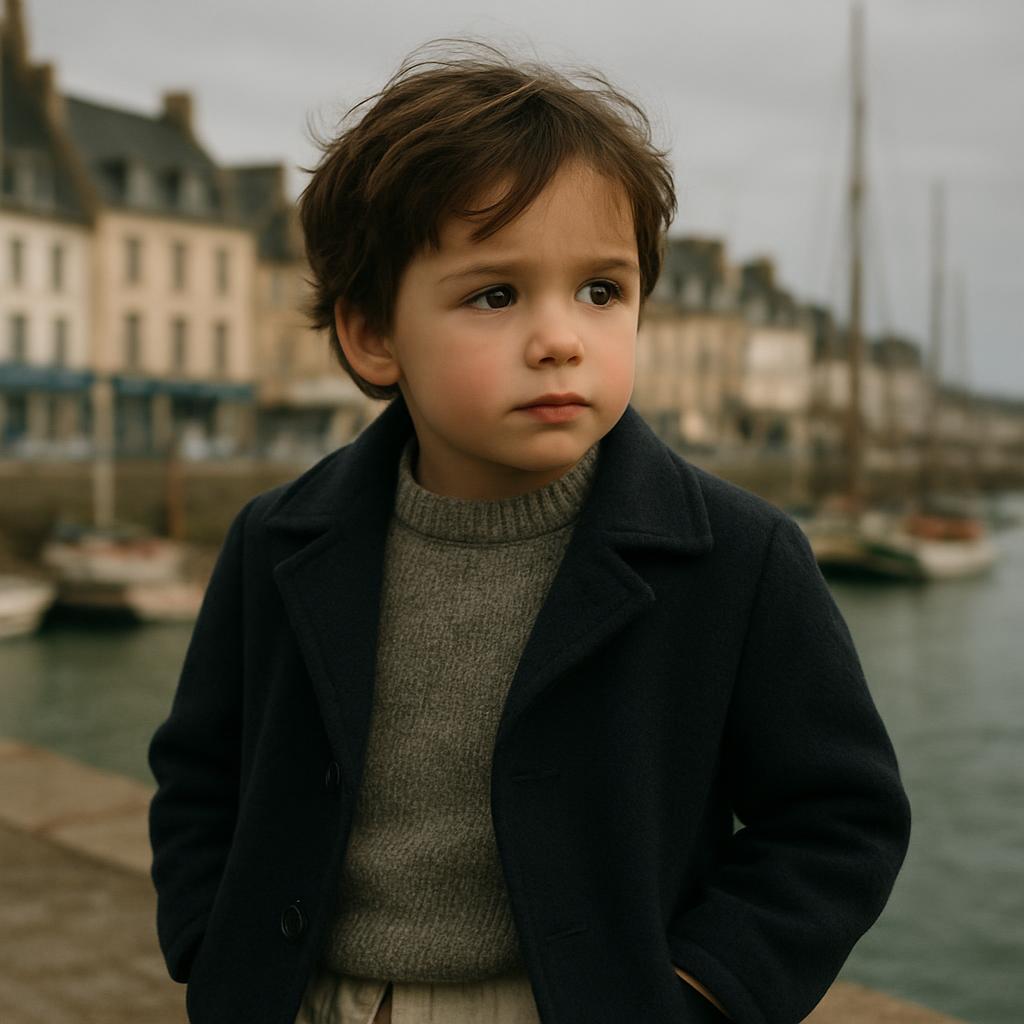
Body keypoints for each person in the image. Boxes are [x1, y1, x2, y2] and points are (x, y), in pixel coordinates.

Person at [147, 39, 912, 1024]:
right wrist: (213, 944)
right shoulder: (276, 539)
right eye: (494, 294)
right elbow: (202, 768)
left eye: (602, 290)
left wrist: (700, 992)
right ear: (373, 335)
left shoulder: (738, 557)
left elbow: (838, 819)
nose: (561, 336)